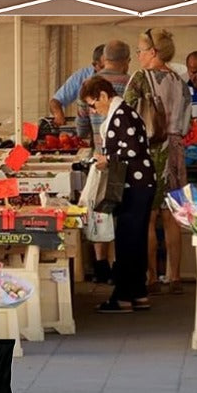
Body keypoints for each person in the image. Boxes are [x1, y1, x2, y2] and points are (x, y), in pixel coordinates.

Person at [80, 75, 156, 313]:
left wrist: (108, 159)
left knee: (127, 240)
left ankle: (123, 296)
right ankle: (138, 293)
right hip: (138, 182)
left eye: (93, 104)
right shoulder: (124, 113)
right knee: (134, 239)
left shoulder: (121, 115)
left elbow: (132, 148)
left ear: (103, 95)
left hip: (135, 184)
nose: (93, 110)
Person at [124, 29, 191, 294]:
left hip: (149, 151)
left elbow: (128, 114)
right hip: (175, 150)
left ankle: (151, 276)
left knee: (148, 216)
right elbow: (187, 121)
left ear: (153, 52)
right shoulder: (180, 80)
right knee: (172, 215)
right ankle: (174, 276)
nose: (138, 55)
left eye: (140, 50)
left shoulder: (140, 78)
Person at [77, 40, 131, 286]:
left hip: (99, 157)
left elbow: (80, 128)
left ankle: (101, 266)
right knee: (122, 214)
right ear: (127, 60)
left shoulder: (87, 85)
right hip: (124, 161)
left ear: (103, 59)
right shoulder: (129, 84)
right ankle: (121, 265)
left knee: (101, 210)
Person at [49, 44, 105, 125]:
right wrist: (58, 115)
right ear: (95, 65)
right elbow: (55, 101)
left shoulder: (121, 79)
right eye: (103, 67)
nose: (108, 71)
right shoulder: (82, 76)